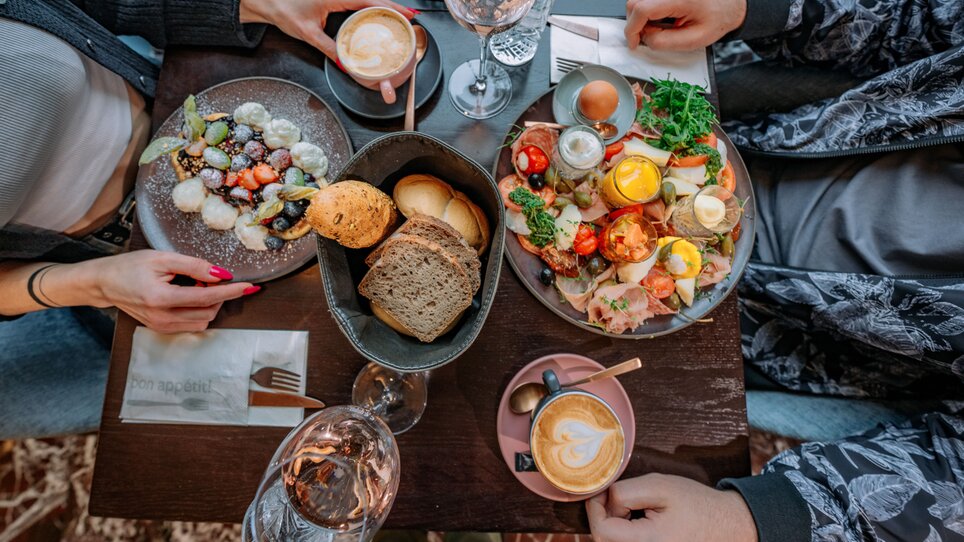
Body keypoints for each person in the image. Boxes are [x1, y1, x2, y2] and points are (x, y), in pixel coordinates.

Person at [587, 0, 964, 540]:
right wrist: (758, 6)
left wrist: (753, 520)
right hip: (758, 122)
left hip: (782, 331)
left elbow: (949, 482)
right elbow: (918, 15)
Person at [0, 0, 415, 439]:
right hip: (106, 258)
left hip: (175, 95)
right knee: (231, 402)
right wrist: (95, 283)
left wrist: (258, 4)